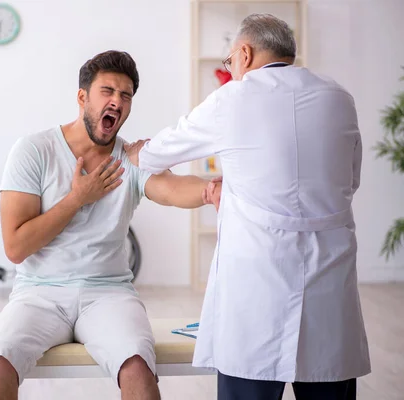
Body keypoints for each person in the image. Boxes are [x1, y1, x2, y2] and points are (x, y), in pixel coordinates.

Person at [125, 13, 371, 400]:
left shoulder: (232, 99)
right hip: (329, 279)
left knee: (249, 383)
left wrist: (137, 151)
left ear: (244, 53)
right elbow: (351, 181)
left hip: (257, 284)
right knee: (329, 382)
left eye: (229, 62)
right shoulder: (339, 97)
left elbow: (156, 156)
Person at [0, 50, 219, 400]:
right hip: (38, 292)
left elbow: (172, 188)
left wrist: (212, 190)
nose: (117, 102)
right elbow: (16, 248)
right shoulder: (34, 151)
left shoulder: (131, 157)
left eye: (125, 95)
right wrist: (77, 198)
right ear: (82, 97)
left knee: (137, 366)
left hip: (109, 293)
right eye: (107, 91)